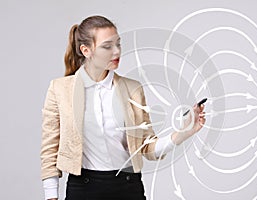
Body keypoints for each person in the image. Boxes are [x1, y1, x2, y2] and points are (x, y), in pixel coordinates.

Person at [40, 15, 206, 200]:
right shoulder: (59, 89)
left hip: (128, 187)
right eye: (107, 46)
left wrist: (182, 132)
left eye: (118, 44)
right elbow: (50, 149)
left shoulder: (133, 89)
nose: (116, 52)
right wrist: (51, 196)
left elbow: (146, 147)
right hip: (83, 188)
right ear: (86, 50)